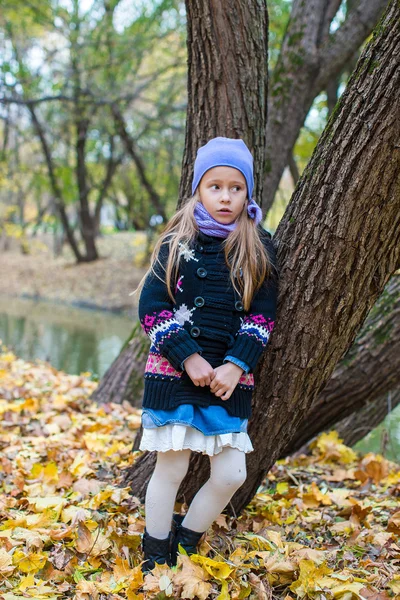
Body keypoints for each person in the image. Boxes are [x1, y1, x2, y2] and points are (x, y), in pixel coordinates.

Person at [131, 136, 279, 573]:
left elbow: (263, 317)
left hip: (229, 382)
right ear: (198, 188)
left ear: (247, 192)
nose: (226, 197)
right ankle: (156, 555)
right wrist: (188, 357)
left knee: (231, 474)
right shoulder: (177, 242)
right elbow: (152, 308)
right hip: (174, 376)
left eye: (236, 188)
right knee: (171, 469)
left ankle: (187, 542)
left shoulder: (257, 246)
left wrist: (235, 365)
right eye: (215, 186)